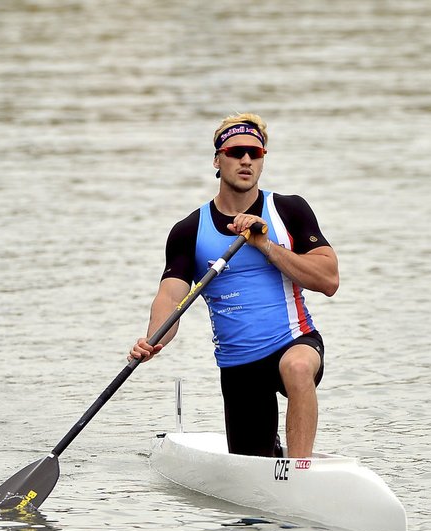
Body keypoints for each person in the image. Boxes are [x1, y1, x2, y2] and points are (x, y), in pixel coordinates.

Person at [129, 113, 339, 459]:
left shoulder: (288, 210)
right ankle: (272, 454)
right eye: (236, 151)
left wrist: (266, 245)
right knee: (252, 461)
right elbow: (170, 298)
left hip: (295, 342)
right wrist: (152, 342)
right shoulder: (189, 230)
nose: (246, 160)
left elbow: (329, 279)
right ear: (217, 159)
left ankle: (301, 470)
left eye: (255, 154)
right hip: (240, 368)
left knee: (297, 367)